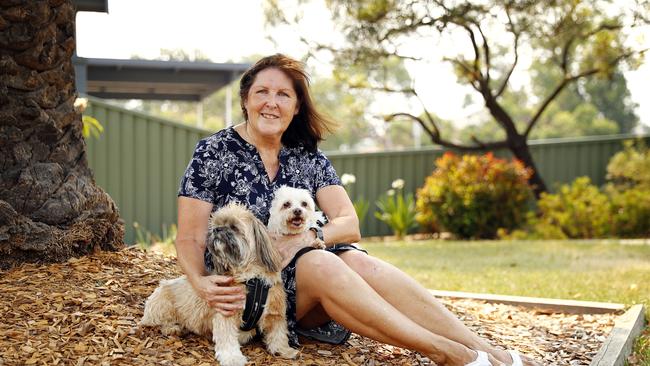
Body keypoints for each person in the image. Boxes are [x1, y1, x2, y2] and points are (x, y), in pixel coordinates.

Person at [175, 54, 540, 366]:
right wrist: (200, 282)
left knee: (358, 261)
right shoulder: (214, 152)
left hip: (312, 283)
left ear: (297, 106)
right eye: (262, 93)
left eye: (284, 94)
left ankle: (489, 353)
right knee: (322, 262)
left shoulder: (307, 154)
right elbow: (190, 236)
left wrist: (308, 237)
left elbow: (349, 223)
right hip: (253, 292)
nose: (272, 102)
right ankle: (447, 353)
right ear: (245, 100)